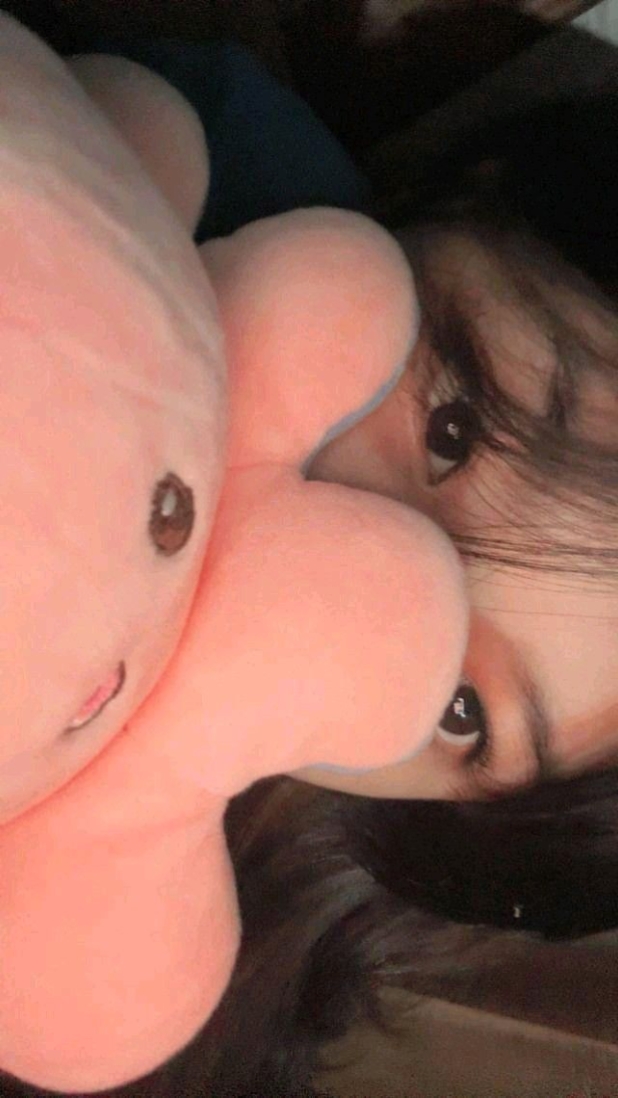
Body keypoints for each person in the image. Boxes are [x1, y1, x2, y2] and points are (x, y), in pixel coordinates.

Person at [3, 17, 618, 1098]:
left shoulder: (140, 971)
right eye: (453, 429)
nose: (329, 562)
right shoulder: (214, 148)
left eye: (458, 706)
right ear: (481, 202)